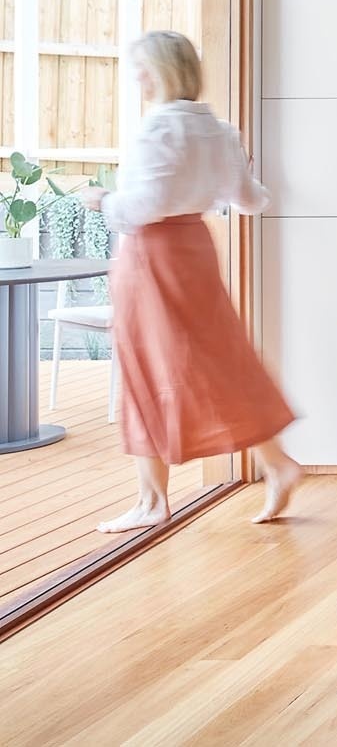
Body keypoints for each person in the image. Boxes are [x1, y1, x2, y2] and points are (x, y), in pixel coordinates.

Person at [79, 31, 301, 532]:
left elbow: (142, 207)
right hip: (194, 251)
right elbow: (252, 200)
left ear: (158, 70)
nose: (135, 77)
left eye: (139, 67)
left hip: (152, 258)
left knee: (146, 369)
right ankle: (277, 461)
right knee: (218, 361)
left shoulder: (158, 128)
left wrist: (102, 201)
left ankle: (152, 501)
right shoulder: (218, 131)